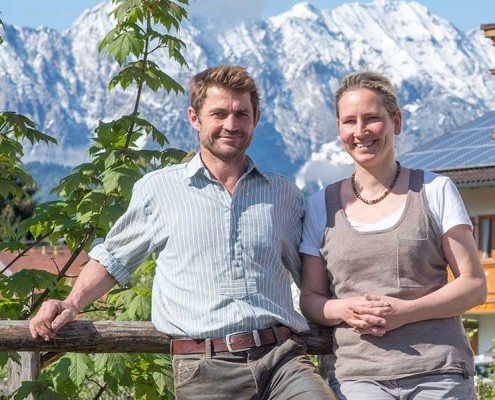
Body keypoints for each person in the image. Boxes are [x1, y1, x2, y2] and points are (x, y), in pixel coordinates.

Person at [29, 65, 336, 400]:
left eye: (241, 114)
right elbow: (114, 258)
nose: (231, 125)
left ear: (256, 119)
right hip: (204, 366)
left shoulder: (284, 194)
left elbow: (311, 275)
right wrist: (71, 304)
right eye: (218, 114)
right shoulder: (159, 189)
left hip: (283, 360)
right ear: (194, 118)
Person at [299, 71, 487, 400]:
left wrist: (406, 312)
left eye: (372, 119)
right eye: (349, 121)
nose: (360, 132)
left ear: (396, 122)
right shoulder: (320, 206)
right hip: (359, 378)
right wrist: (344, 310)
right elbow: (311, 298)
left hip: (439, 371)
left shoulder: (435, 190)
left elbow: (473, 285)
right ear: (339, 129)